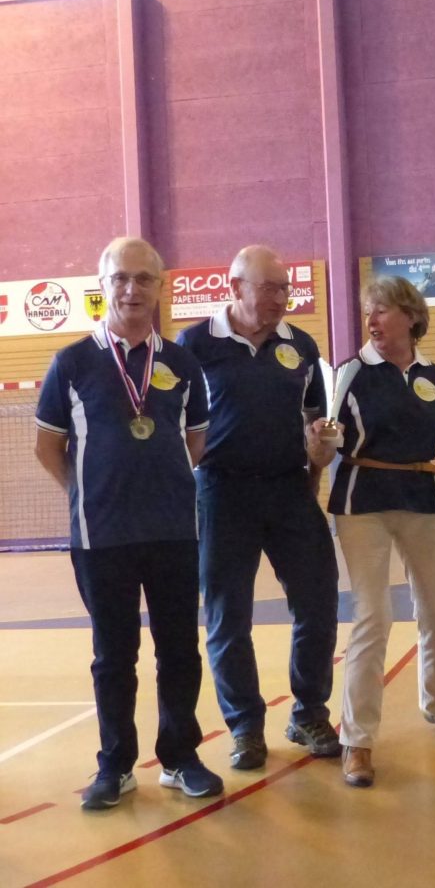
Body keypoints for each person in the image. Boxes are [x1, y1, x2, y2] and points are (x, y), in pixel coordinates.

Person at [34, 237, 224, 810]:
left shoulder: (181, 363)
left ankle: (181, 758)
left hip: (173, 531)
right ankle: (115, 766)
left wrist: (160, 483)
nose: (131, 289)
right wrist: (88, 496)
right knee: (113, 656)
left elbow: (196, 441)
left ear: (160, 287)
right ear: (103, 286)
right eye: (120, 278)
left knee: (179, 650)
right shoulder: (72, 362)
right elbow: (48, 447)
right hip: (102, 537)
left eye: (144, 278)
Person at [177, 246, 340, 769]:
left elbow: (316, 421)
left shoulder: (301, 345)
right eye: (268, 288)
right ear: (235, 288)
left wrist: (317, 463)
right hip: (221, 491)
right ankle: (245, 726)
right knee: (228, 616)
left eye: (285, 288)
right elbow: (177, 422)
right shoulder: (195, 344)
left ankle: (309, 712)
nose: (280, 298)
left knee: (318, 602)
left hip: (290, 488)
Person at [327, 276, 435, 788]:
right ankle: (357, 740)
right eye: (368, 310)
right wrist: (319, 445)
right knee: (373, 617)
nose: (371, 319)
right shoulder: (348, 372)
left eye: (382, 309)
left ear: (411, 317)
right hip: (362, 500)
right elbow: (326, 444)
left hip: (421, 496)